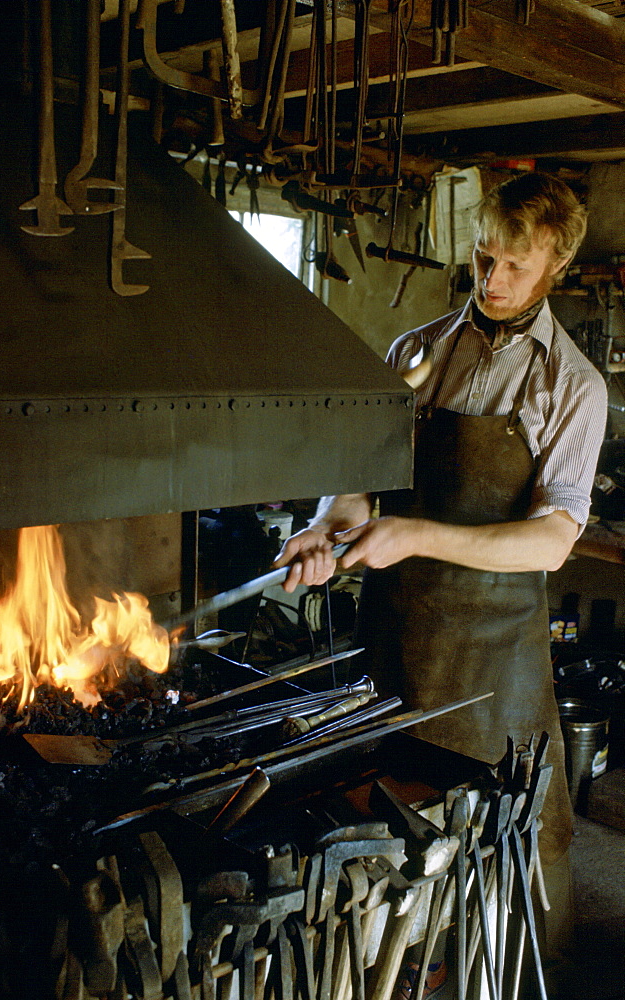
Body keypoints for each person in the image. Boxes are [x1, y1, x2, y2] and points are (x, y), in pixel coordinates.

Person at [274, 172, 608, 996]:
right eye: (482, 257)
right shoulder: (414, 351)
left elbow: (553, 541)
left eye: (513, 268)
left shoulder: (570, 387)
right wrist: (328, 524)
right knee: (378, 831)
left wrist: (416, 533)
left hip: (493, 663)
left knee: (500, 846)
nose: (490, 281)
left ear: (554, 267)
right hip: (392, 637)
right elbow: (361, 477)